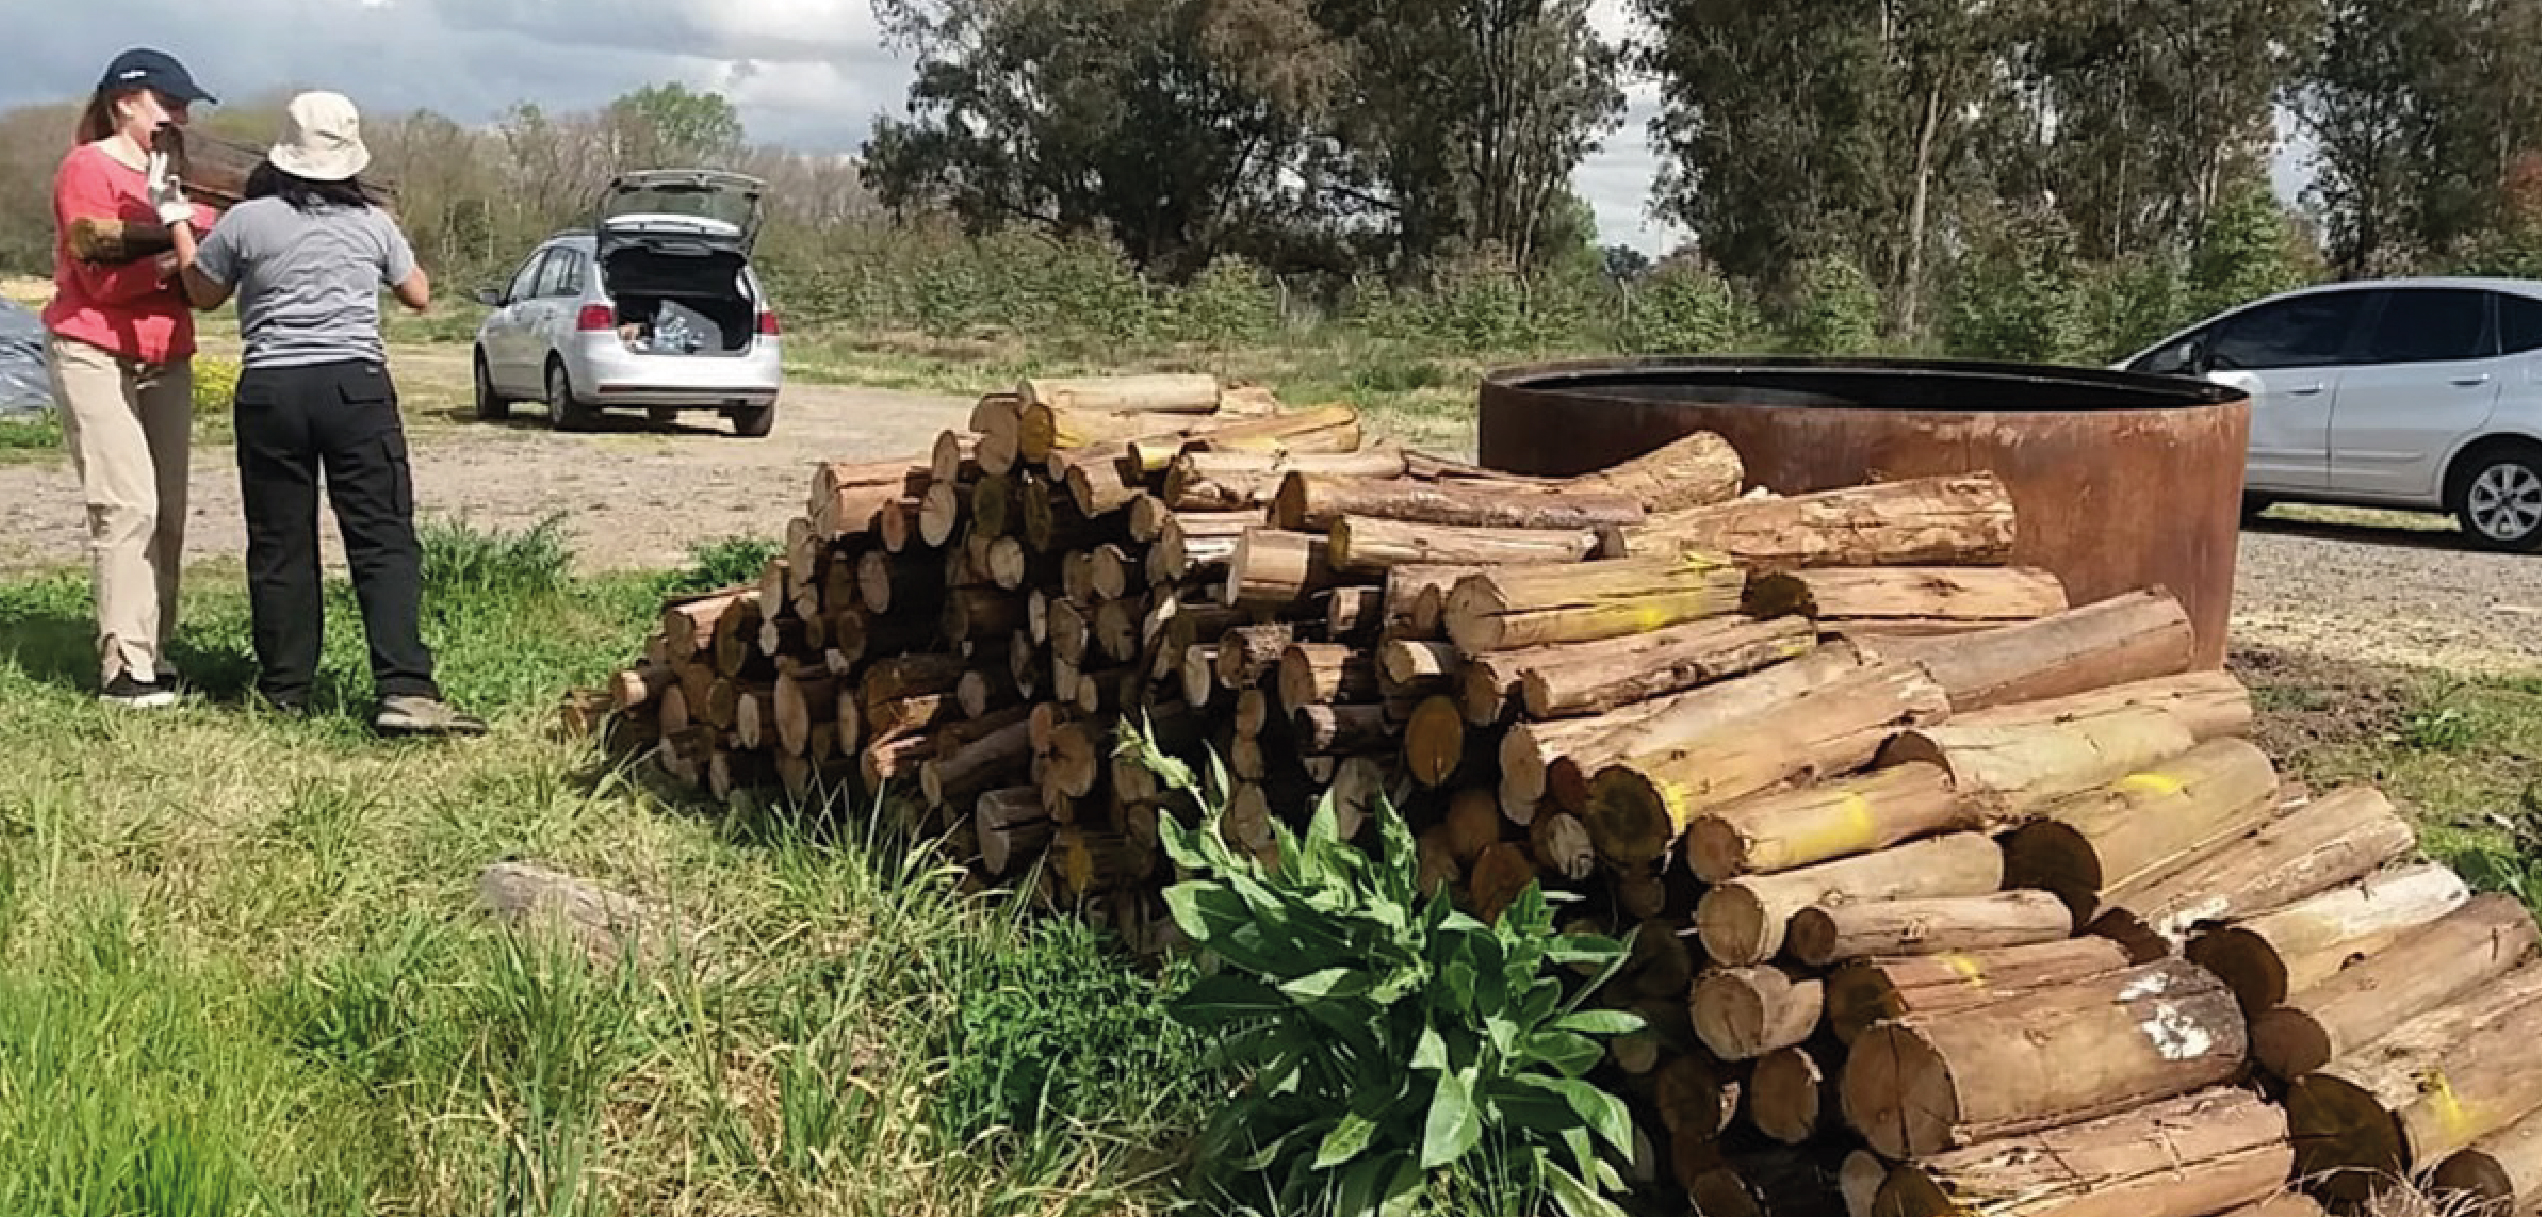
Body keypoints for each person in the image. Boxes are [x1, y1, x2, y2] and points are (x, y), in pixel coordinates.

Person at [166, 91, 483, 736]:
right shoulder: (371, 223)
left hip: (272, 390)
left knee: (281, 542)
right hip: (355, 389)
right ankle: (404, 688)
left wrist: (177, 223)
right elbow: (418, 294)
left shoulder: (247, 221)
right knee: (383, 538)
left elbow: (200, 292)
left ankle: (285, 688)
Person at [42, 48, 221, 708]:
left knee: (169, 512)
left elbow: (209, 257)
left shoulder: (177, 176)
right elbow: (100, 280)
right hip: (94, 347)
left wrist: (193, 242)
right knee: (127, 504)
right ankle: (123, 662)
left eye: (184, 108)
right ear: (126, 101)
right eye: (168, 104)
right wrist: (177, 258)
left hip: (168, 354)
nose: (179, 117)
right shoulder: (86, 168)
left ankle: (154, 649)